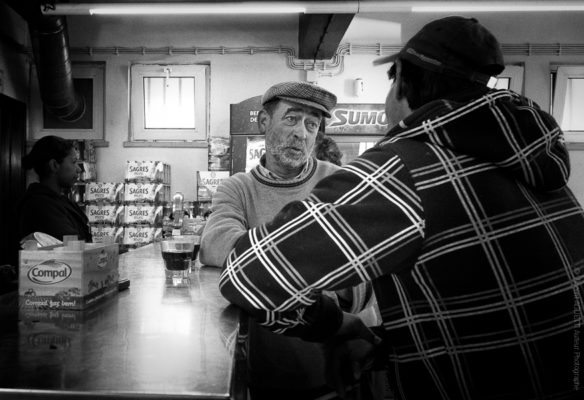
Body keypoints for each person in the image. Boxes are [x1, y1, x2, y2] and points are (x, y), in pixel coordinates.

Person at [219, 16, 584, 400]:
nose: (301, 133)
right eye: (291, 119)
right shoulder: (535, 162)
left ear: (404, 84)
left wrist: (336, 327)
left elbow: (248, 276)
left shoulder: (402, 168)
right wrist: (382, 345)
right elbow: (479, 309)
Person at [201, 82, 376, 399]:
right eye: (292, 119)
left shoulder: (339, 181)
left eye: (312, 125)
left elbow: (361, 276)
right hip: (265, 375)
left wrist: (263, 271)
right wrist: (319, 266)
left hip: (335, 372)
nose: (302, 134)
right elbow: (215, 244)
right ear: (264, 123)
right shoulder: (237, 188)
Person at [17, 135, 91, 242]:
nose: (79, 169)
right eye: (73, 162)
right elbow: (73, 247)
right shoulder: (39, 205)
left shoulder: (60, 200)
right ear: (54, 165)